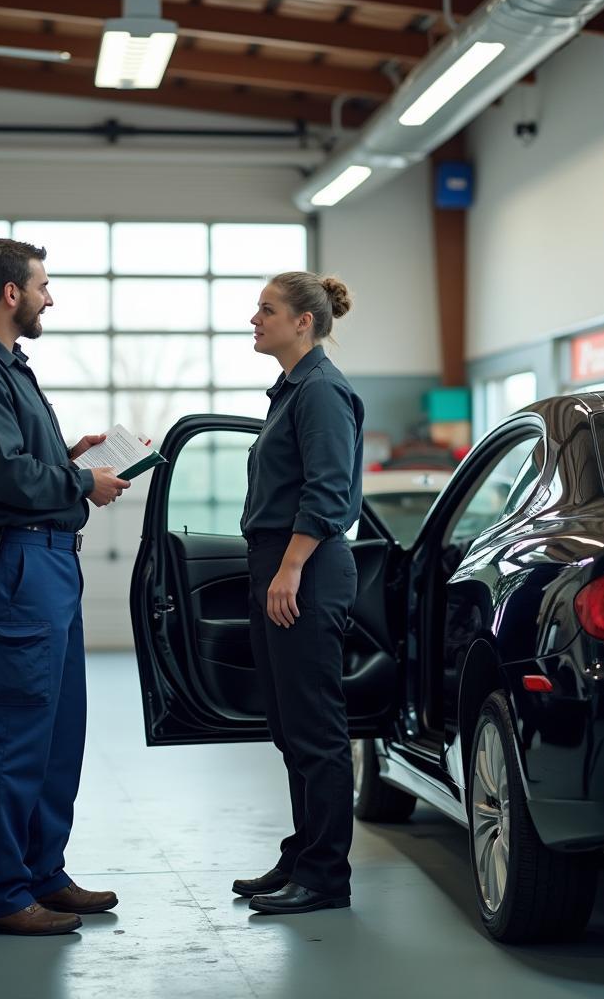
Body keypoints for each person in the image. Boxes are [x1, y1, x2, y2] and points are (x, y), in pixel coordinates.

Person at [0, 238, 130, 937]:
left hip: (47, 564)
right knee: (15, 731)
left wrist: (68, 457)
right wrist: (82, 482)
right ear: (10, 292)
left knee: (55, 731)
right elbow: (9, 479)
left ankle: (43, 873)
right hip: (16, 565)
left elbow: (19, 461)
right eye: (43, 285)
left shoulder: (8, 367)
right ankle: (3, 893)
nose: (51, 297)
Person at [232, 271, 364, 915]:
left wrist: (289, 570)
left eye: (267, 309)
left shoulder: (320, 392)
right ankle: (303, 853)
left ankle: (326, 876)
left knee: (315, 729)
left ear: (304, 321)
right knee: (290, 728)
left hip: (305, 567)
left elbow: (328, 491)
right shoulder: (290, 391)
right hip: (282, 564)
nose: (255, 319)